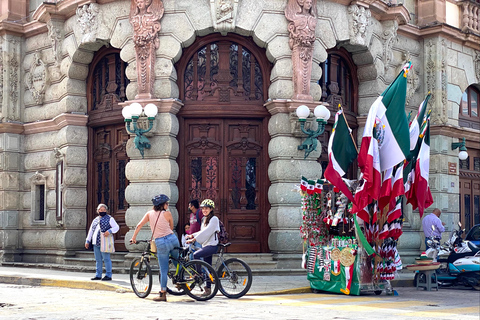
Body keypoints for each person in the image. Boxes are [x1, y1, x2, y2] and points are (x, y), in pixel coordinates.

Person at [130, 194, 179, 302]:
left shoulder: (149, 214)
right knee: (177, 261)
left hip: (161, 242)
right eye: (166, 203)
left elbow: (139, 225)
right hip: (173, 239)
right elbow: (171, 227)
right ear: (162, 205)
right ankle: (180, 281)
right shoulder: (168, 214)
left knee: (164, 269)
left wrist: (133, 238)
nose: (168, 205)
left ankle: (162, 294)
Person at [186, 199, 220, 297]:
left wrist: (194, 240)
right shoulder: (204, 219)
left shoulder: (214, 219)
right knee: (208, 268)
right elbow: (202, 231)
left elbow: (207, 232)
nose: (204, 210)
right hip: (206, 245)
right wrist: (192, 235)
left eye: (206, 208)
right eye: (203, 208)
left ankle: (198, 274)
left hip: (212, 245)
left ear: (211, 209)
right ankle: (208, 289)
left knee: (196, 254)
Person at [85, 204, 119, 281]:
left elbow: (116, 227)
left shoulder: (110, 218)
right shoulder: (95, 220)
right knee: (98, 259)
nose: (102, 211)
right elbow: (91, 230)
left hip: (105, 242)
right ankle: (98, 274)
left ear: (106, 211)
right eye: (101, 210)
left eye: (104, 210)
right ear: (98, 211)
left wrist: (109, 231)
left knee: (106, 258)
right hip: (95, 242)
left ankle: (108, 274)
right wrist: (87, 240)